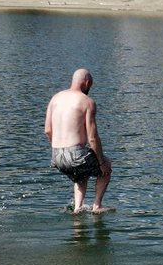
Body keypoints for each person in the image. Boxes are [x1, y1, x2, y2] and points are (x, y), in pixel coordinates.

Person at [45, 68, 113, 214]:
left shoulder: (55, 98)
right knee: (106, 167)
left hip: (56, 156)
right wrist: (101, 162)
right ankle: (97, 206)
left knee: (82, 171)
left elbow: (47, 130)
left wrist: (59, 148)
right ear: (87, 82)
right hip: (75, 155)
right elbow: (93, 138)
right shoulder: (87, 102)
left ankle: (77, 208)